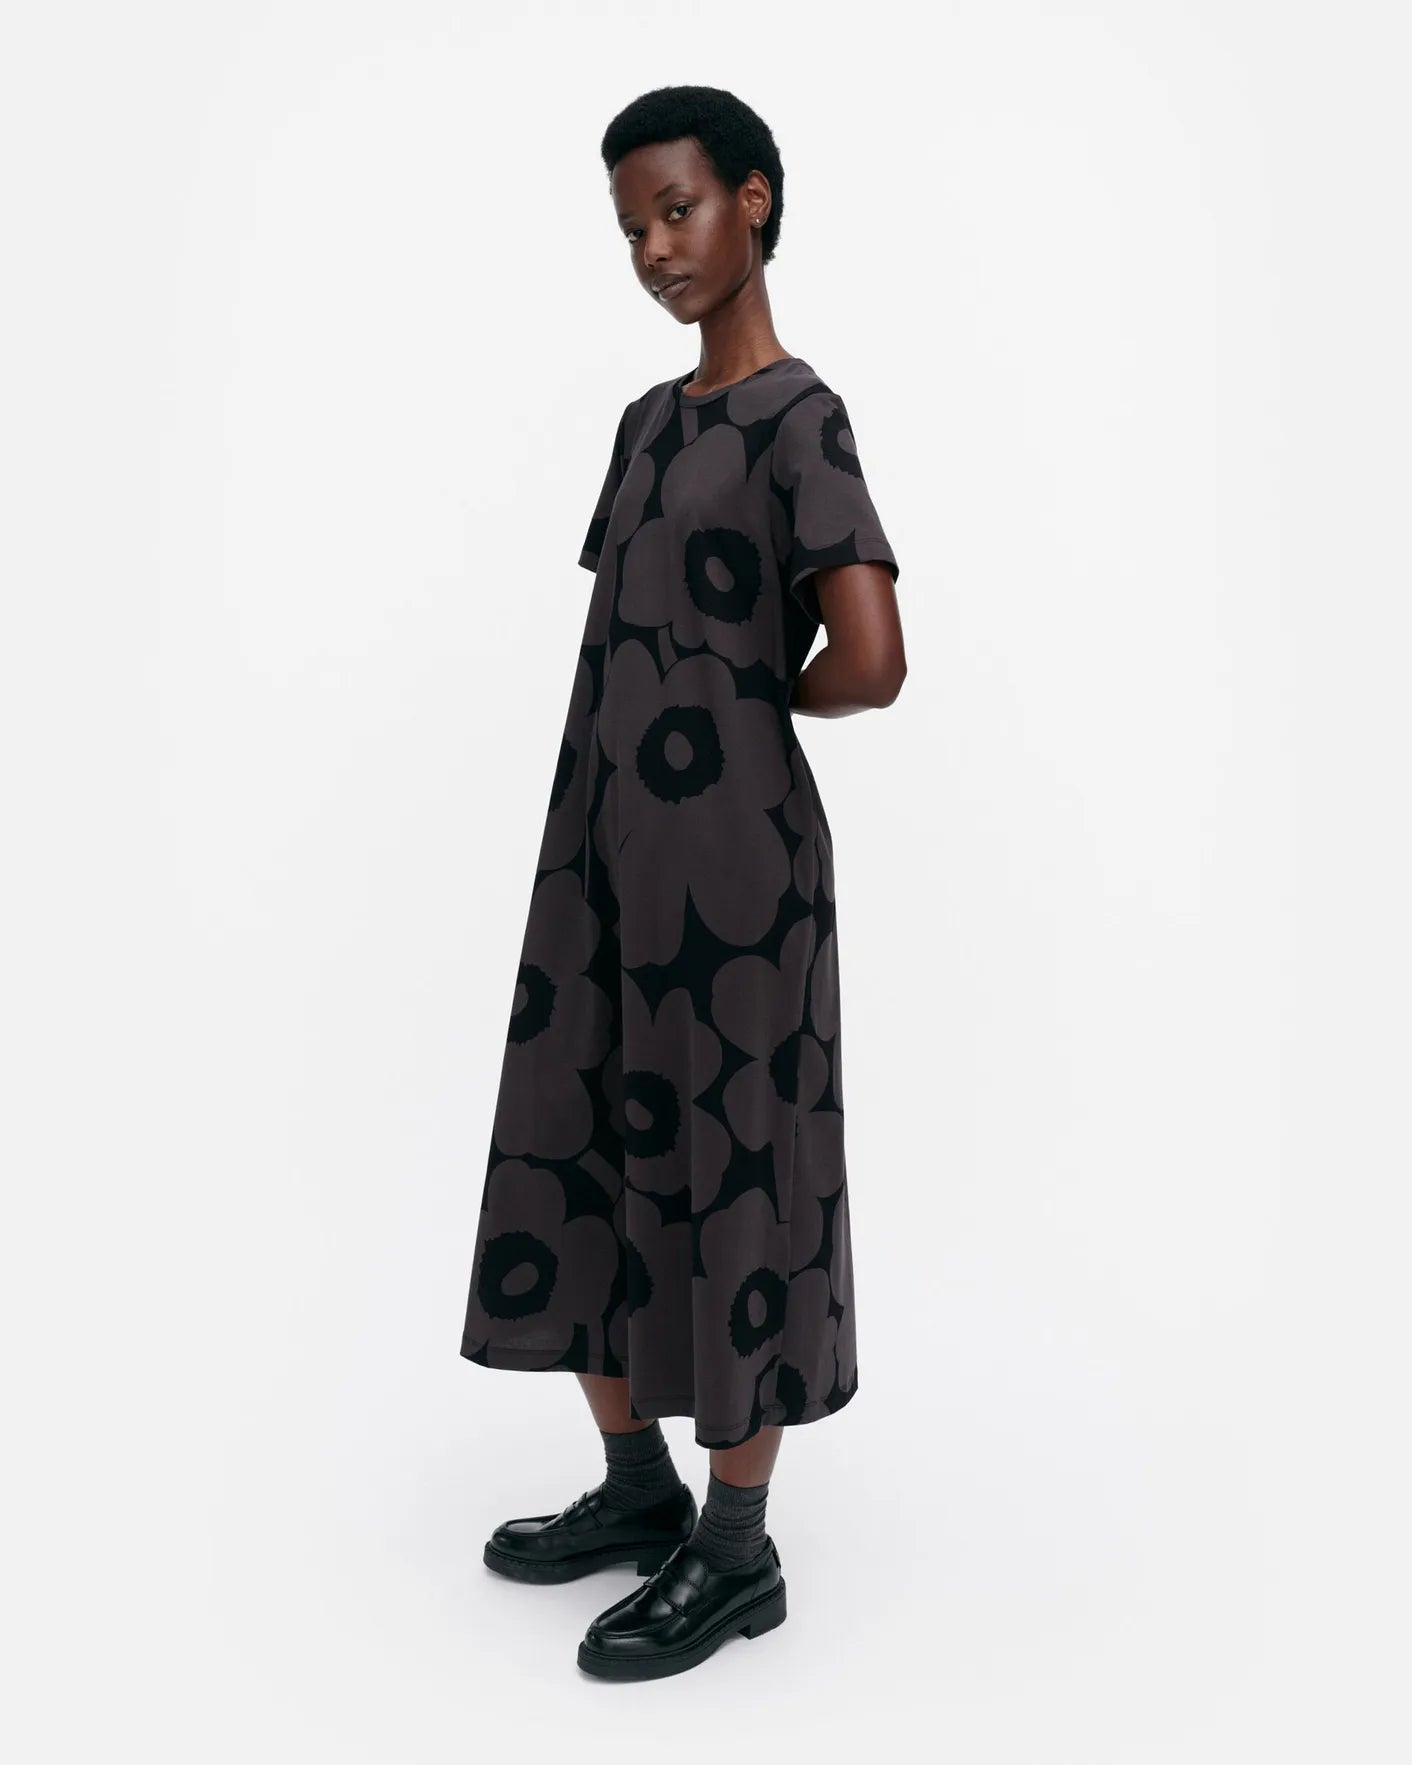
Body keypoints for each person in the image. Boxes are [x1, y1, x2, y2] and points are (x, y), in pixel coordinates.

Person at [460, 83, 906, 1681]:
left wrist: (748, 704)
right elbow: (630, 631)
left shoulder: (800, 416)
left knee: (734, 1161)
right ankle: (636, 1483)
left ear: (755, 199)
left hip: (736, 864)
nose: (656, 246)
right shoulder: (647, 425)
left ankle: (734, 1547)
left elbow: (873, 659)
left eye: (679, 208)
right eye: (632, 226)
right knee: (579, 1129)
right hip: (598, 839)